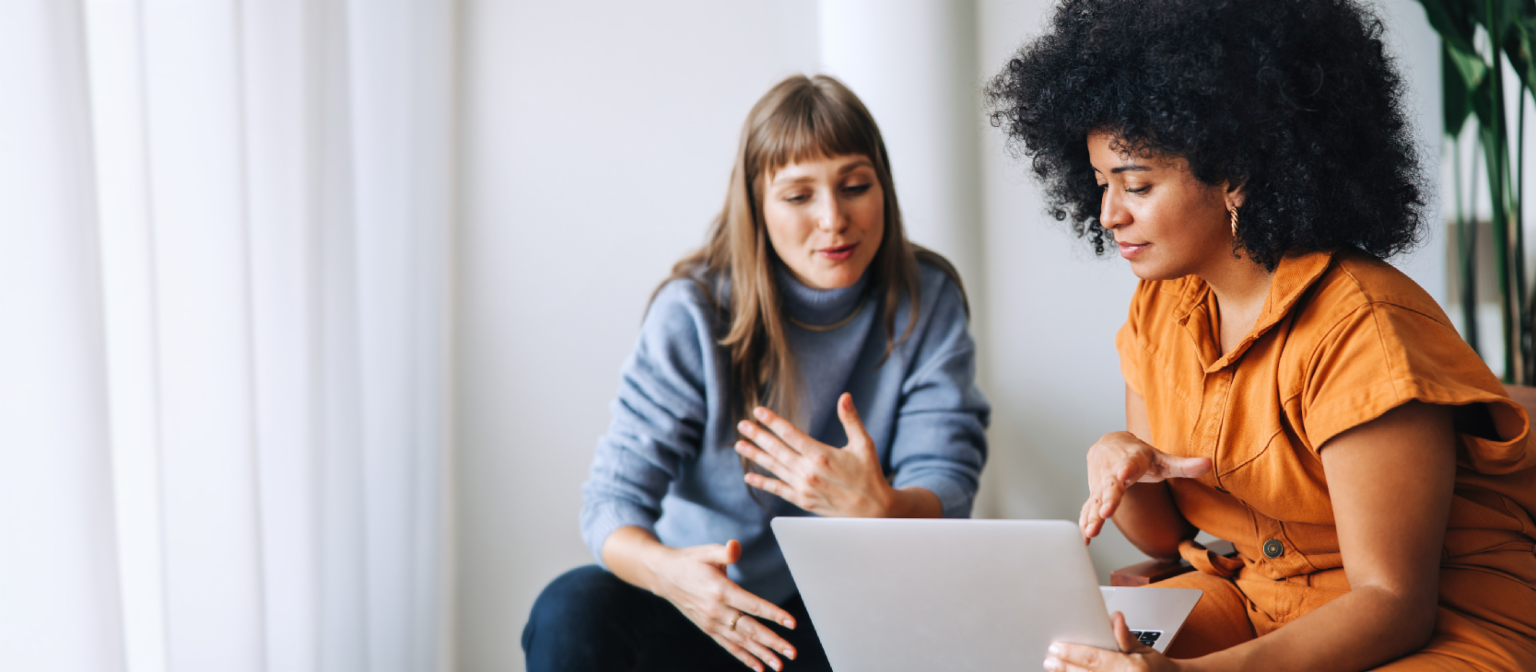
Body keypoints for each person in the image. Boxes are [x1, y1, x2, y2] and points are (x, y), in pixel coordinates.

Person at [986, 0, 1536, 670]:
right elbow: (1166, 535)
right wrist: (1117, 461)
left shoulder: (1364, 329)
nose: (1108, 214)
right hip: (1256, 597)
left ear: (1237, 175)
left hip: (1439, 625)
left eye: (1136, 184)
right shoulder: (1159, 307)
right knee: (1059, 652)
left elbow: (1393, 602)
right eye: (1101, 183)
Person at [521, 74, 990, 672]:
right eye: (799, 196)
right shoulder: (694, 311)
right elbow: (612, 503)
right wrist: (675, 577)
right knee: (571, 606)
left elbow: (947, 482)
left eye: (854, 186)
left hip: (841, 611)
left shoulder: (927, 297)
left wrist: (881, 505)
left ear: (883, 189)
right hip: (704, 606)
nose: (833, 219)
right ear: (758, 206)